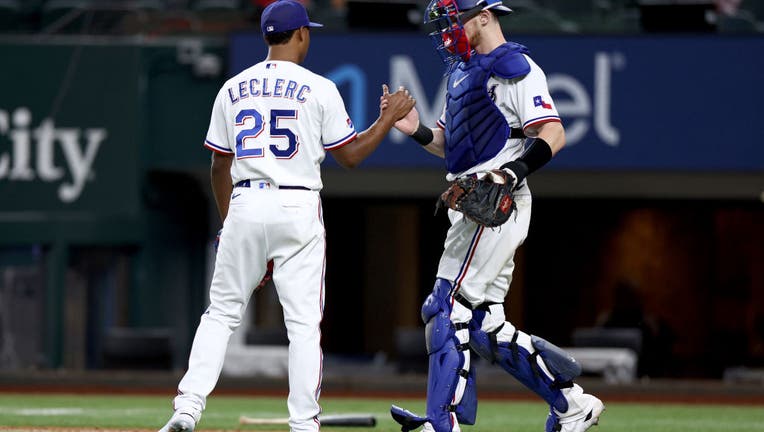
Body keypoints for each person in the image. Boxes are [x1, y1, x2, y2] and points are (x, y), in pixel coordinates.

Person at [157, 1, 415, 431]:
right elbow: (350, 156)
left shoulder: (232, 87)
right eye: (306, 31)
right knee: (303, 326)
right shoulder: (319, 87)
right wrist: (387, 118)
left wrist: (229, 225)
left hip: (245, 199)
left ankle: (187, 409)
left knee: (220, 313)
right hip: (297, 204)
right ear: (300, 34)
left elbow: (220, 165)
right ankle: (303, 424)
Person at [382, 1, 604, 432]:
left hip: (498, 206)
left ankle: (440, 421)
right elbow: (449, 146)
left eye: (455, 19)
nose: (449, 30)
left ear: (484, 16)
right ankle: (571, 404)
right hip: (471, 207)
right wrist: (416, 130)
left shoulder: (515, 66)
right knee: (482, 326)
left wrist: (511, 173)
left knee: (445, 306)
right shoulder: (464, 72)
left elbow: (553, 132)